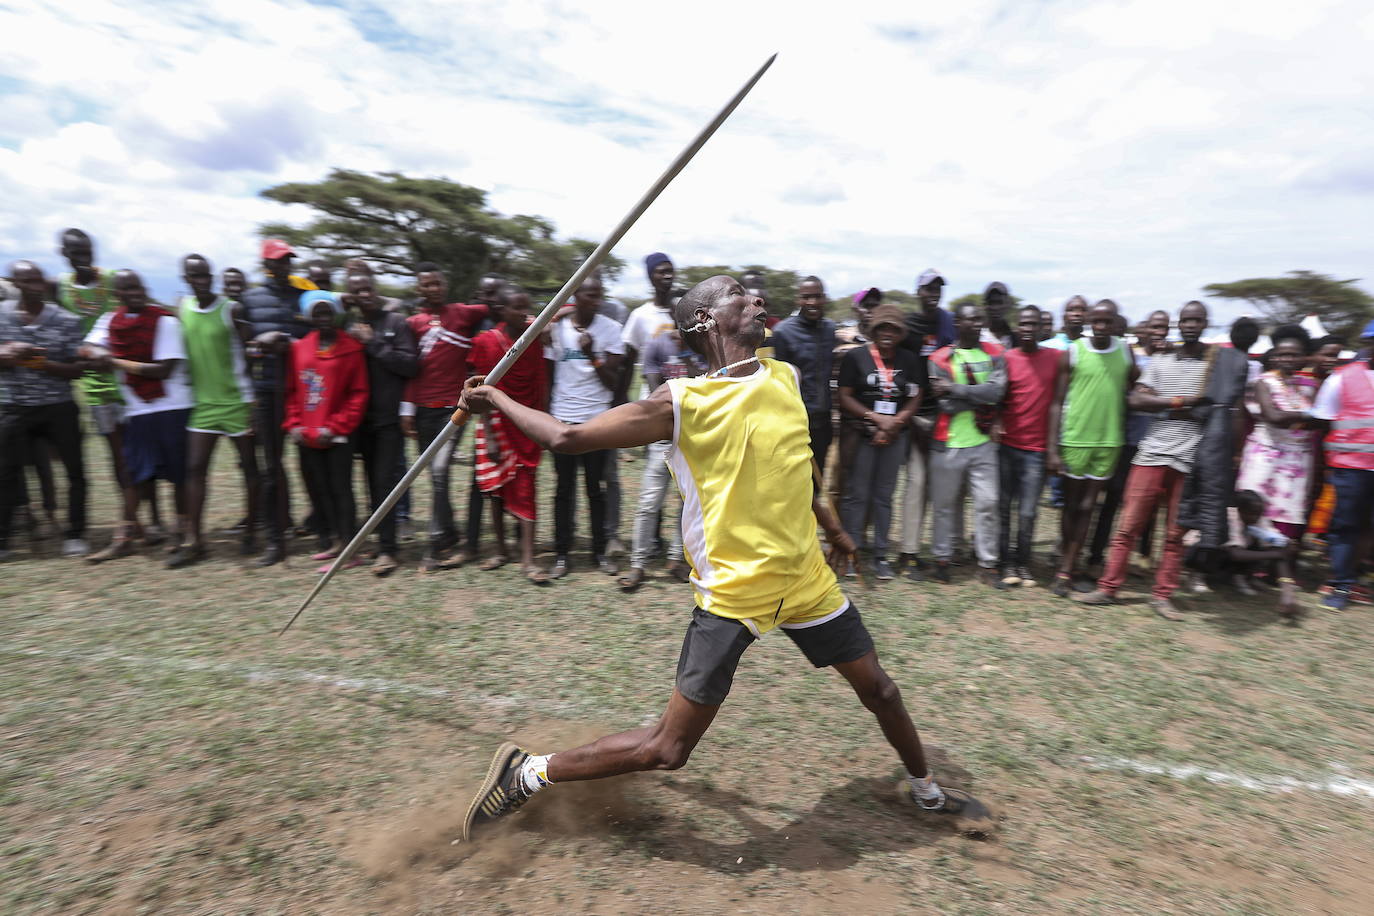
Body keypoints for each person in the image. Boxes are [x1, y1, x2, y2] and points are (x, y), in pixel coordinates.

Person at [458, 275, 994, 844]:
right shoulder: (682, 402)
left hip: (807, 579)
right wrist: (495, 396)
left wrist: (833, 526)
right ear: (706, 321)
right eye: (739, 293)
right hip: (734, 592)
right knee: (667, 749)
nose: (758, 298)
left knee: (881, 690)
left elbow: (798, 460)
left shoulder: (783, 375)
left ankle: (927, 790)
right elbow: (566, 437)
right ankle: (529, 771)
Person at [1078, 301, 1215, 619]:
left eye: (1197, 320)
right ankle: (1109, 587)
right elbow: (1137, 399)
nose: (1191, 325)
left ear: (1206, 324)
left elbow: (1213, 405)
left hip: (1190, 455)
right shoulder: (1160, 359)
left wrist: (1165, 404)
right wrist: (1182, 403)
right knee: (1128, 526)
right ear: (1179, 324)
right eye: (1186, 320)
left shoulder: (1213, 363)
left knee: (1174, 534)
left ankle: (1162, 595)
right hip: (1152, 451)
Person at [81, 270, 194, 564]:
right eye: (127, 289)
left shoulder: (165, 322)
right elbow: (86, 348)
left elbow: (163, 370)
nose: (135, 293)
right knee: (135, 474)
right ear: (116, 294)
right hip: (137, 409)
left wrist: (113, 361)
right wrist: (95, 353)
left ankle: (180, 533)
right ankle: (125, 537)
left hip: (172, 406)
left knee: (177, 474)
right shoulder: (110, 321)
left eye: (139, 287)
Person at [56, 229, 156, 543]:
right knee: (119, 458)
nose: (82, 256)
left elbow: (142, 305)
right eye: (75, 251)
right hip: (96, 387)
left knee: (143, 451)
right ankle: (134, 521)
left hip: (130, 380)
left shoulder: (113, 278)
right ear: (64, 253)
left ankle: (155, 518)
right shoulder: (60, 286)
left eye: (86, 250)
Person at [400, 263, 495, 571]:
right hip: (422, 409)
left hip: (454, 409)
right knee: (433, 477)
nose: (433, 288)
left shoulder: (463, 313)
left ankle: (435, 541)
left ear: (445, 284)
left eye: (437, 283)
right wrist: (407, 409)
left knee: (440, 473)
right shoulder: (413, 323)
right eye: (427, 284)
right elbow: (411, 370)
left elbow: (497, 303)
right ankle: (450, 532)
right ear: (419, 289)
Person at [171, 254, 260, 568]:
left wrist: (253, 404)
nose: (202, 280)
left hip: (237, 402)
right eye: (195, 276)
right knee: (194, 469)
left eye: (206, 274)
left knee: (249, 468)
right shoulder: (182, 309)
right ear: (186, 278)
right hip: (203, 405)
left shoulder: (231, 310)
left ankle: (252, 530)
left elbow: (253, 353)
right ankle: (193, 541)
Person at [0, 260, 90, 561]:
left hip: (58, 406)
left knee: (75, 471)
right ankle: (3, 540)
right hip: (14, 405)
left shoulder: (66, 320)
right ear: (16, 284)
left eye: (40, 281)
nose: (37, 287)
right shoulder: (1, 316)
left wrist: (40, 363)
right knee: (6, 473)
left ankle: (75, 534)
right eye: (28, 282)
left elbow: (79, 370)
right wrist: (6, 354)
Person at [1046, 300, 1137, 597]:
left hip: (1109, 441)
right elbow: (1057, 402)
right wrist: (1052, 448)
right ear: (1088, 322)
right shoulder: (1073, 352)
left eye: (1106, 322)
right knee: (1071, 506)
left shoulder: (1125, 351)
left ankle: (1069, 568)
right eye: (1095, 321)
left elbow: (1132, 384)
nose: (1100, 327)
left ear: (1115, 323)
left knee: (1088, 508)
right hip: (1075, 438)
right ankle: (1065, 565)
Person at [283, 291, 369, 574]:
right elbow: (292, 391)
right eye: (317, 313)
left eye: (327, 312)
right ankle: (334, 541)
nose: (323, 318)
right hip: (306, 434)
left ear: (335, 314)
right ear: (308, 316)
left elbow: (358, 394)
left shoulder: (352, 348)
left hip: (337, 434)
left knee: (341, 489)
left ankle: (350, 549)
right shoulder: (300, 348)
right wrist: (294, 424)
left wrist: (333, 428)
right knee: (319, 490)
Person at [467, 285, 548, 582]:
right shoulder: (486, 342)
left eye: (527, 307)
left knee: (527, 487)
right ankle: (500, 549)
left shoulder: (533, 337)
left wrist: (544, 419)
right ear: (501, 310)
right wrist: (488, 434)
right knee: (495, 491)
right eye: (517, 308)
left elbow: (541, 378)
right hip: (497, 422)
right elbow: (481, 390)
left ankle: (528, 559)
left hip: (527, 421)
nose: (525, 314)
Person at [546, 274, 624, 579]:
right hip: (562, 419)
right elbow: (550, 373)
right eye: (589, 295)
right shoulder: (556, 329)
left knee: (596, 490)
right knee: (563, 489)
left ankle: (599, 552)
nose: (596, 300)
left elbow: (612, 382)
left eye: (599, 295)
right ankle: (562, 554)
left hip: (596, 421)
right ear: (575, 296)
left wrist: (592, 355)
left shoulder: (611, 329)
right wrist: (546, 418)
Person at [837, 305, 921, 580]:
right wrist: (875, 419)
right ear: (873, 330)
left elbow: (915, 397)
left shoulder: (909, 360)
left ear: (900, 333)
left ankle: (881, 555)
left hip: (895, 436)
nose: (887, 333)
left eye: (893, 329)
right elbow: (845, 396)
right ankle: (852, 553)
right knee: (857, 495)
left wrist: (895, 423)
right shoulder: (856, 357)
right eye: (882, 328)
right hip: (863, 434)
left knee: (884, 496)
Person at [343, 272, 418, 577]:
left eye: (367, 287)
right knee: (368, 484)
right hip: (357, 419)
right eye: (356, 290)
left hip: (388, 419)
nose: (364, 293)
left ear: (376, 289)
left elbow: (410, 365)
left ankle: (388, 551)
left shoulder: (395, 323)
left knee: (385, 483)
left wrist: (373, 343)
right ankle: (379, 540)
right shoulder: (346, 326)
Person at [241, 239, 310, 566]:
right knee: (271, 469)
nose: (285, 267)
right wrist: (260, 346)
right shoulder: (250, 300)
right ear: (267, 265)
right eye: (279, 262)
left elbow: (316, 339)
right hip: (268, 392)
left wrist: (289, 343)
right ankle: (275, 539)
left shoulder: (304, 298)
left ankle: (323, 532)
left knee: (311, 464)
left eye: (289, 261)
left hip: (304, 392)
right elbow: (244, 350)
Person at [927, 304, 1007, 588]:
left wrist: (956, 388)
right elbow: (944, 403)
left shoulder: (995, 354)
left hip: (983, 443)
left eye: (978, 319)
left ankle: (988, 564)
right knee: (944, 506)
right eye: (968, 319)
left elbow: (997, 392)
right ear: (957, 323)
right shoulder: (940, 357)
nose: (974, 324)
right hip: (948, 443)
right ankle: (942, 560)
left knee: (988, 503)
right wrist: (978, 395)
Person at [618, 327, 704, 591]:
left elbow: (706, 385)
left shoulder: (704, 348)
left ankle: (676, 560)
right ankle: (638, 564)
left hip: (693, 438)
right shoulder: (656, 345)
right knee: (648, 502)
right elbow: (658, 395)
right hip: (663, 437)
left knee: (687, 504)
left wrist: (687, 353)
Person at [1088, 310, 1171, 571]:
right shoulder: (1130, 356)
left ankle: (1144, 554)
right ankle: (1096, 554)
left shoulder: (1173, 357)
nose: (1157, 332)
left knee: (1150, 503)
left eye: (1162, 327)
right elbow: (1128, 394)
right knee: (1113, 500)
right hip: (1127, 439)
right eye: (1152, 327)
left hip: (1158, 441)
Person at [1234, 325, 1320, 545]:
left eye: (1294, 354)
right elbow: (1273, 416)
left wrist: (1295, 418)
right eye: (1282, 354)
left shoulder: (1311, 385)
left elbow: (1324, 421)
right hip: (1264, 454)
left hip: (1298, 457)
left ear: (1305, 357)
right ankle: (1249, 561)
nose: (1287, 359)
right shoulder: (1263, 382)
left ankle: (1274, 565)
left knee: (1287, 509)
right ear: (1273, 356)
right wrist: (1308, 415)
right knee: (1255, 506)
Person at [1310, 321, 1374, 610]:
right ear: (1367, 344)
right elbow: (1323, 420)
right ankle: (1341, 584)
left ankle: (1356, 577)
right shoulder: (1341, 378)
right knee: (1347, 525)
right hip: (1352, 468)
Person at [895, 269, 954, 579]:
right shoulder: (907, 325)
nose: (933, 293)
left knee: (937, 487)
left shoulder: (948, 322)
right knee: (916, 483)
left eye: (938, 288)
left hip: (944, 416)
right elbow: (901, 369)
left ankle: (938, 549)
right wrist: (911, 415)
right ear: (918, 292)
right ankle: (909, 553)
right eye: (928, 288)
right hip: (914, 415)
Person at [997, 305, 1060, 586]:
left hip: (1036, 450)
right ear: (1017, 326)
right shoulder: (1006, 357)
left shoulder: (1057, 358)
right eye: (1023, 324)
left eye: (1033, 324)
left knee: (1028, 511)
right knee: (1003, 507)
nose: (1028, 329)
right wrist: (997, 422)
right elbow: (997, 396)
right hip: (1007, 446)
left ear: (1042, 327)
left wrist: (1053, 450)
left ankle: (1022, 563)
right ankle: (1006, 562)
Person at [771, 276, 838, 470]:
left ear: (824, 298)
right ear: (798, 300)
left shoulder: (830, 329)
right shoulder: (783, 332)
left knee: (818, 476)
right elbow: (780, 380)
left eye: (817, 297)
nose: (812, 303)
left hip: (824, 419)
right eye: (806, 297)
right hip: (796, 419)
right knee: (795, 474)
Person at [1215, 490, 1301, 618]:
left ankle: (1287, 597)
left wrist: (1287, 544)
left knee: (1278, 547)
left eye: (1259, 514)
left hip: (1239, 554)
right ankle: (1203, 577)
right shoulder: (1230, 517)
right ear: (1240, 510)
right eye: (1252, 514)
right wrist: (1276, 554)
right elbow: (1235, 554)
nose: (1256, 518)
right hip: (1216, 558)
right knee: (1276, 553)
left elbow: (1275, 539)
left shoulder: (1258, 518)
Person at [980, 282, 1013, 348]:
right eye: (991, 303)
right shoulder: (976, 337)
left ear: (1007, 305)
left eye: (1000, 303)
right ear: (984, 306)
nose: (995, 308)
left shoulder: (1015, 339)